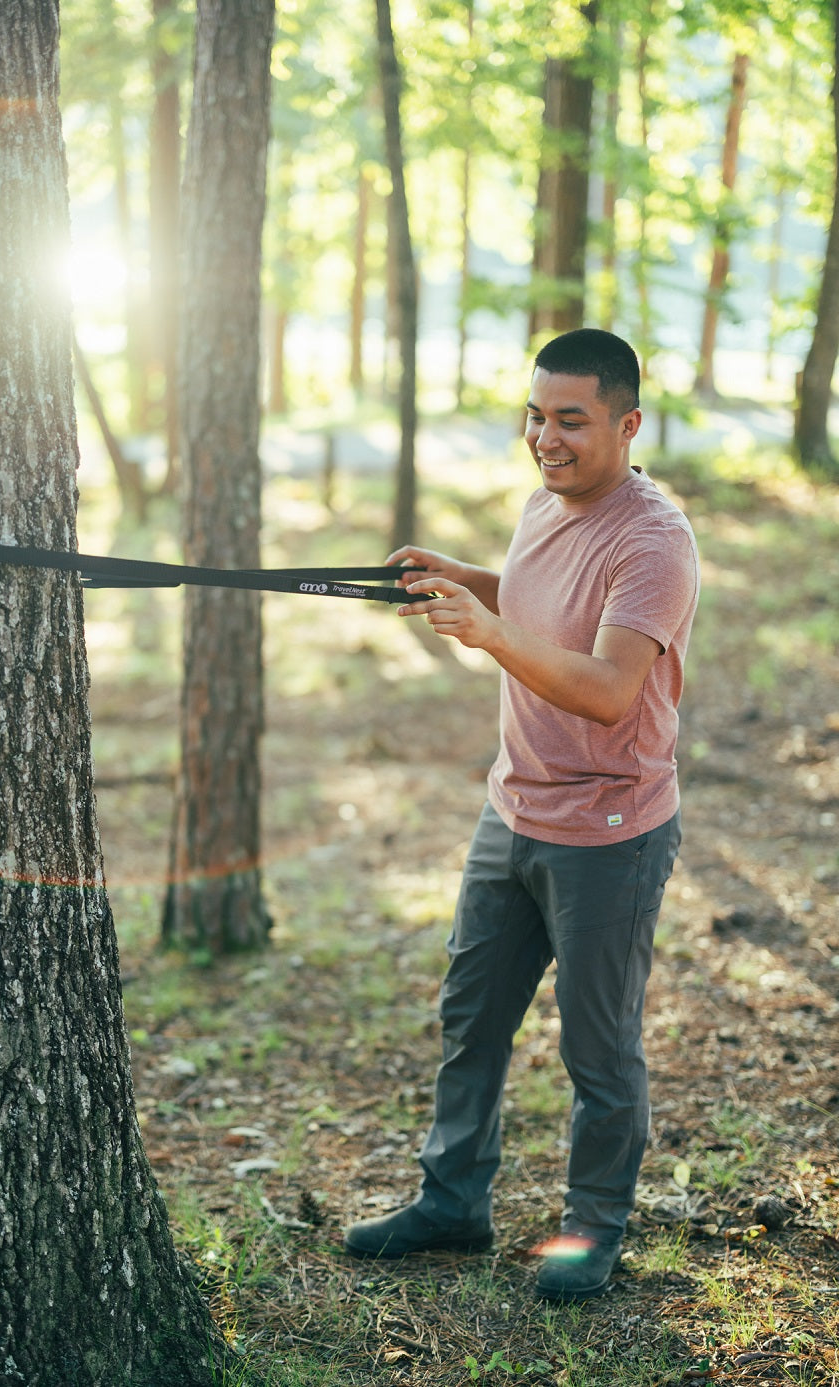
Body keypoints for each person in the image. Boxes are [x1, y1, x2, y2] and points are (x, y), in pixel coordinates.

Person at [342, 328, 700, 1302]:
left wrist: (488, 633)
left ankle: (591, 1231)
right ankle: (452, 1201)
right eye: (536, 416)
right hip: (513, 812)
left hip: (609, 834)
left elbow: (608, 688)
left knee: (597, 1049)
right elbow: (545, 606)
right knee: (472, 1018)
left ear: (628, 424)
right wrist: (467, 579)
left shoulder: (654, 541)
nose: (545, 438)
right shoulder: (547, 500)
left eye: (570, 420)